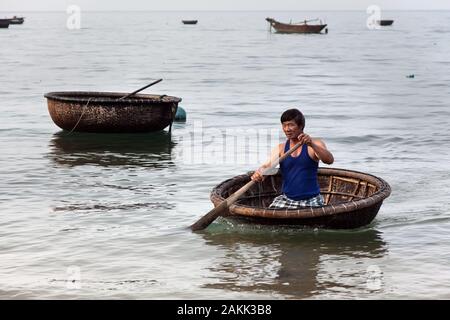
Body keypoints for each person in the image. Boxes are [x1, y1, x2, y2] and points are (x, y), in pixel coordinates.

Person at [251, 108, 334, 208]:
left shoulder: (314, 144)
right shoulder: (280, 148)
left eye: (291, 125)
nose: (287, 129)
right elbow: (268, 165)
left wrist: (311, 144)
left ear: (301, 126)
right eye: (284, 125)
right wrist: (259, 173)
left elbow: (329, 160)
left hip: (311, 199)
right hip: (287, 199)